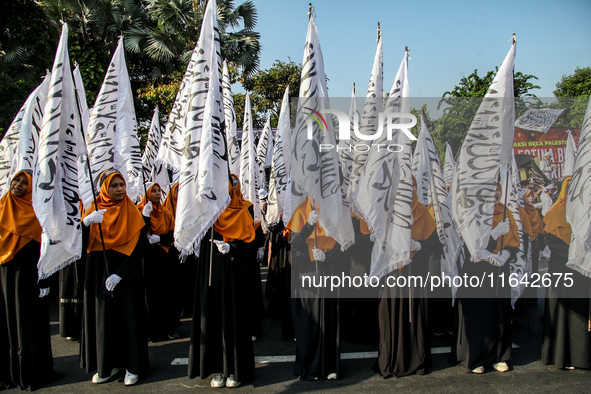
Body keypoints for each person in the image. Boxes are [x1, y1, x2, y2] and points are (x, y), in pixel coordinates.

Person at [80, 169, 149, 386]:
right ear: (104, 188)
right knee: (103, 319)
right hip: (100, 274)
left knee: (128, 318)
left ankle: (132, 365)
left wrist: (121, 273)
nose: (119, 189)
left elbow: (139, 248)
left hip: (126, 277)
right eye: (114, 186)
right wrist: (85, 225)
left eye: (122, 185)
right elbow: (80, 250)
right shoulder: (94, 211)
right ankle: (106, 366)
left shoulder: (131, 211)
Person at [188, 177, 256, 389]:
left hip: (235, 278)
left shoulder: (241, 211)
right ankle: (218, 368)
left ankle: (236, 369)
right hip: (212, 277)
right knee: (215, 317)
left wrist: (233, 249)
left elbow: (249, 246)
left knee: (234, 317)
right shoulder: (208, 216)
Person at [375, 175, 442, 378]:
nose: (409, 189)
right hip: (393, 273)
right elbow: (378, 242)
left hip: (416, 272)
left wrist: (419, 245)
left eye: (412, 185)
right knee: (393, 314)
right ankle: (392, 360)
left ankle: (417, 360)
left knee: (416, 316)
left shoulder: (423, 211)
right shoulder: (388, 211)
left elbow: (436, 244)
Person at [0, 170, 61, 390]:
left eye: (24, 182)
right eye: (16, 179)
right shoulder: (1, 206)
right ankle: (10, 372)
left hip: (31, 275)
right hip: (6, 274)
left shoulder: (38, 211)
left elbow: (45, 246)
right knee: (9, 321)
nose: (18, 184)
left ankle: (36, 370)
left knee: (31, 320)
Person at [450, 181, 519, 374]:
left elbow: (514, 241)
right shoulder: (473, 213)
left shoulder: (505, 212)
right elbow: (470, 244)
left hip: (499, 270)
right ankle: (476, 358)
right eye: (491, 190)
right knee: (478, 314)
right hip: (477, 271)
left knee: (499, 312)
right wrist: (493, 235)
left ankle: (499, 356)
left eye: (498, 189)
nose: (495, 193)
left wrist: (507, 253)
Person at [289, 198, 341, 381]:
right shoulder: (301, 211)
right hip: (307, 275)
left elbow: (344, 244)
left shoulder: (335, 210)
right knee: (309, 322)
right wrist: (309, 224)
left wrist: (329, 255)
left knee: (329, 318)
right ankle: (310, 366)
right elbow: (294, 242)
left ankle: (329, 365)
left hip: (328, 272)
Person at [542, 177, 590, 369]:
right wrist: (576, 254)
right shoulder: (555, 213)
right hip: (563, 268)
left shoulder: (585, 213)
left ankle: (580, 357)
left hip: (582, 270)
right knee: (562, 312)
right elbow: (555, 244)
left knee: (580, 314)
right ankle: (562, 357)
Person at [138, 183, 180, 341]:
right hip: (147, 260)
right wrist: (145, 217)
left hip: (164, 257)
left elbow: (173, 234)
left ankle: (169, 328)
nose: (157, 194)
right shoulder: (139, 211)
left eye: (158, 191)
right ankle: (151, 330)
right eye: (153, 191)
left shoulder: (165, 212)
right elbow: (138, 235)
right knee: (150, 296)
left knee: (166, 294)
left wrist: (160, 239)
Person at [522, 189, 544, 302]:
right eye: (528, 196)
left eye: (532, 196)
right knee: (524, 271)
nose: (531, 198)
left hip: (534, 245)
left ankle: (532, 297)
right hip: (524, 245)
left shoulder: (535, 212)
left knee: (534, 271)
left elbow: (540, 228)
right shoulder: (521, 212)